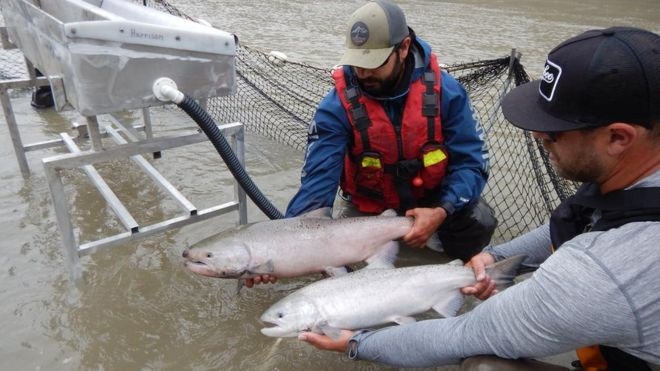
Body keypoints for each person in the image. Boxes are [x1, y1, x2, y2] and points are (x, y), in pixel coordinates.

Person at [298, 26, 660, 370]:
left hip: (441, 206)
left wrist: (356, 342)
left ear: (618, 138)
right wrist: (495, 257)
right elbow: (569, 223)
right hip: (375, 207)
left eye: (555, 131)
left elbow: (463, 335)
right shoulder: (629, 172)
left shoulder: (597, 276)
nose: (537, 134)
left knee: (485, 362)